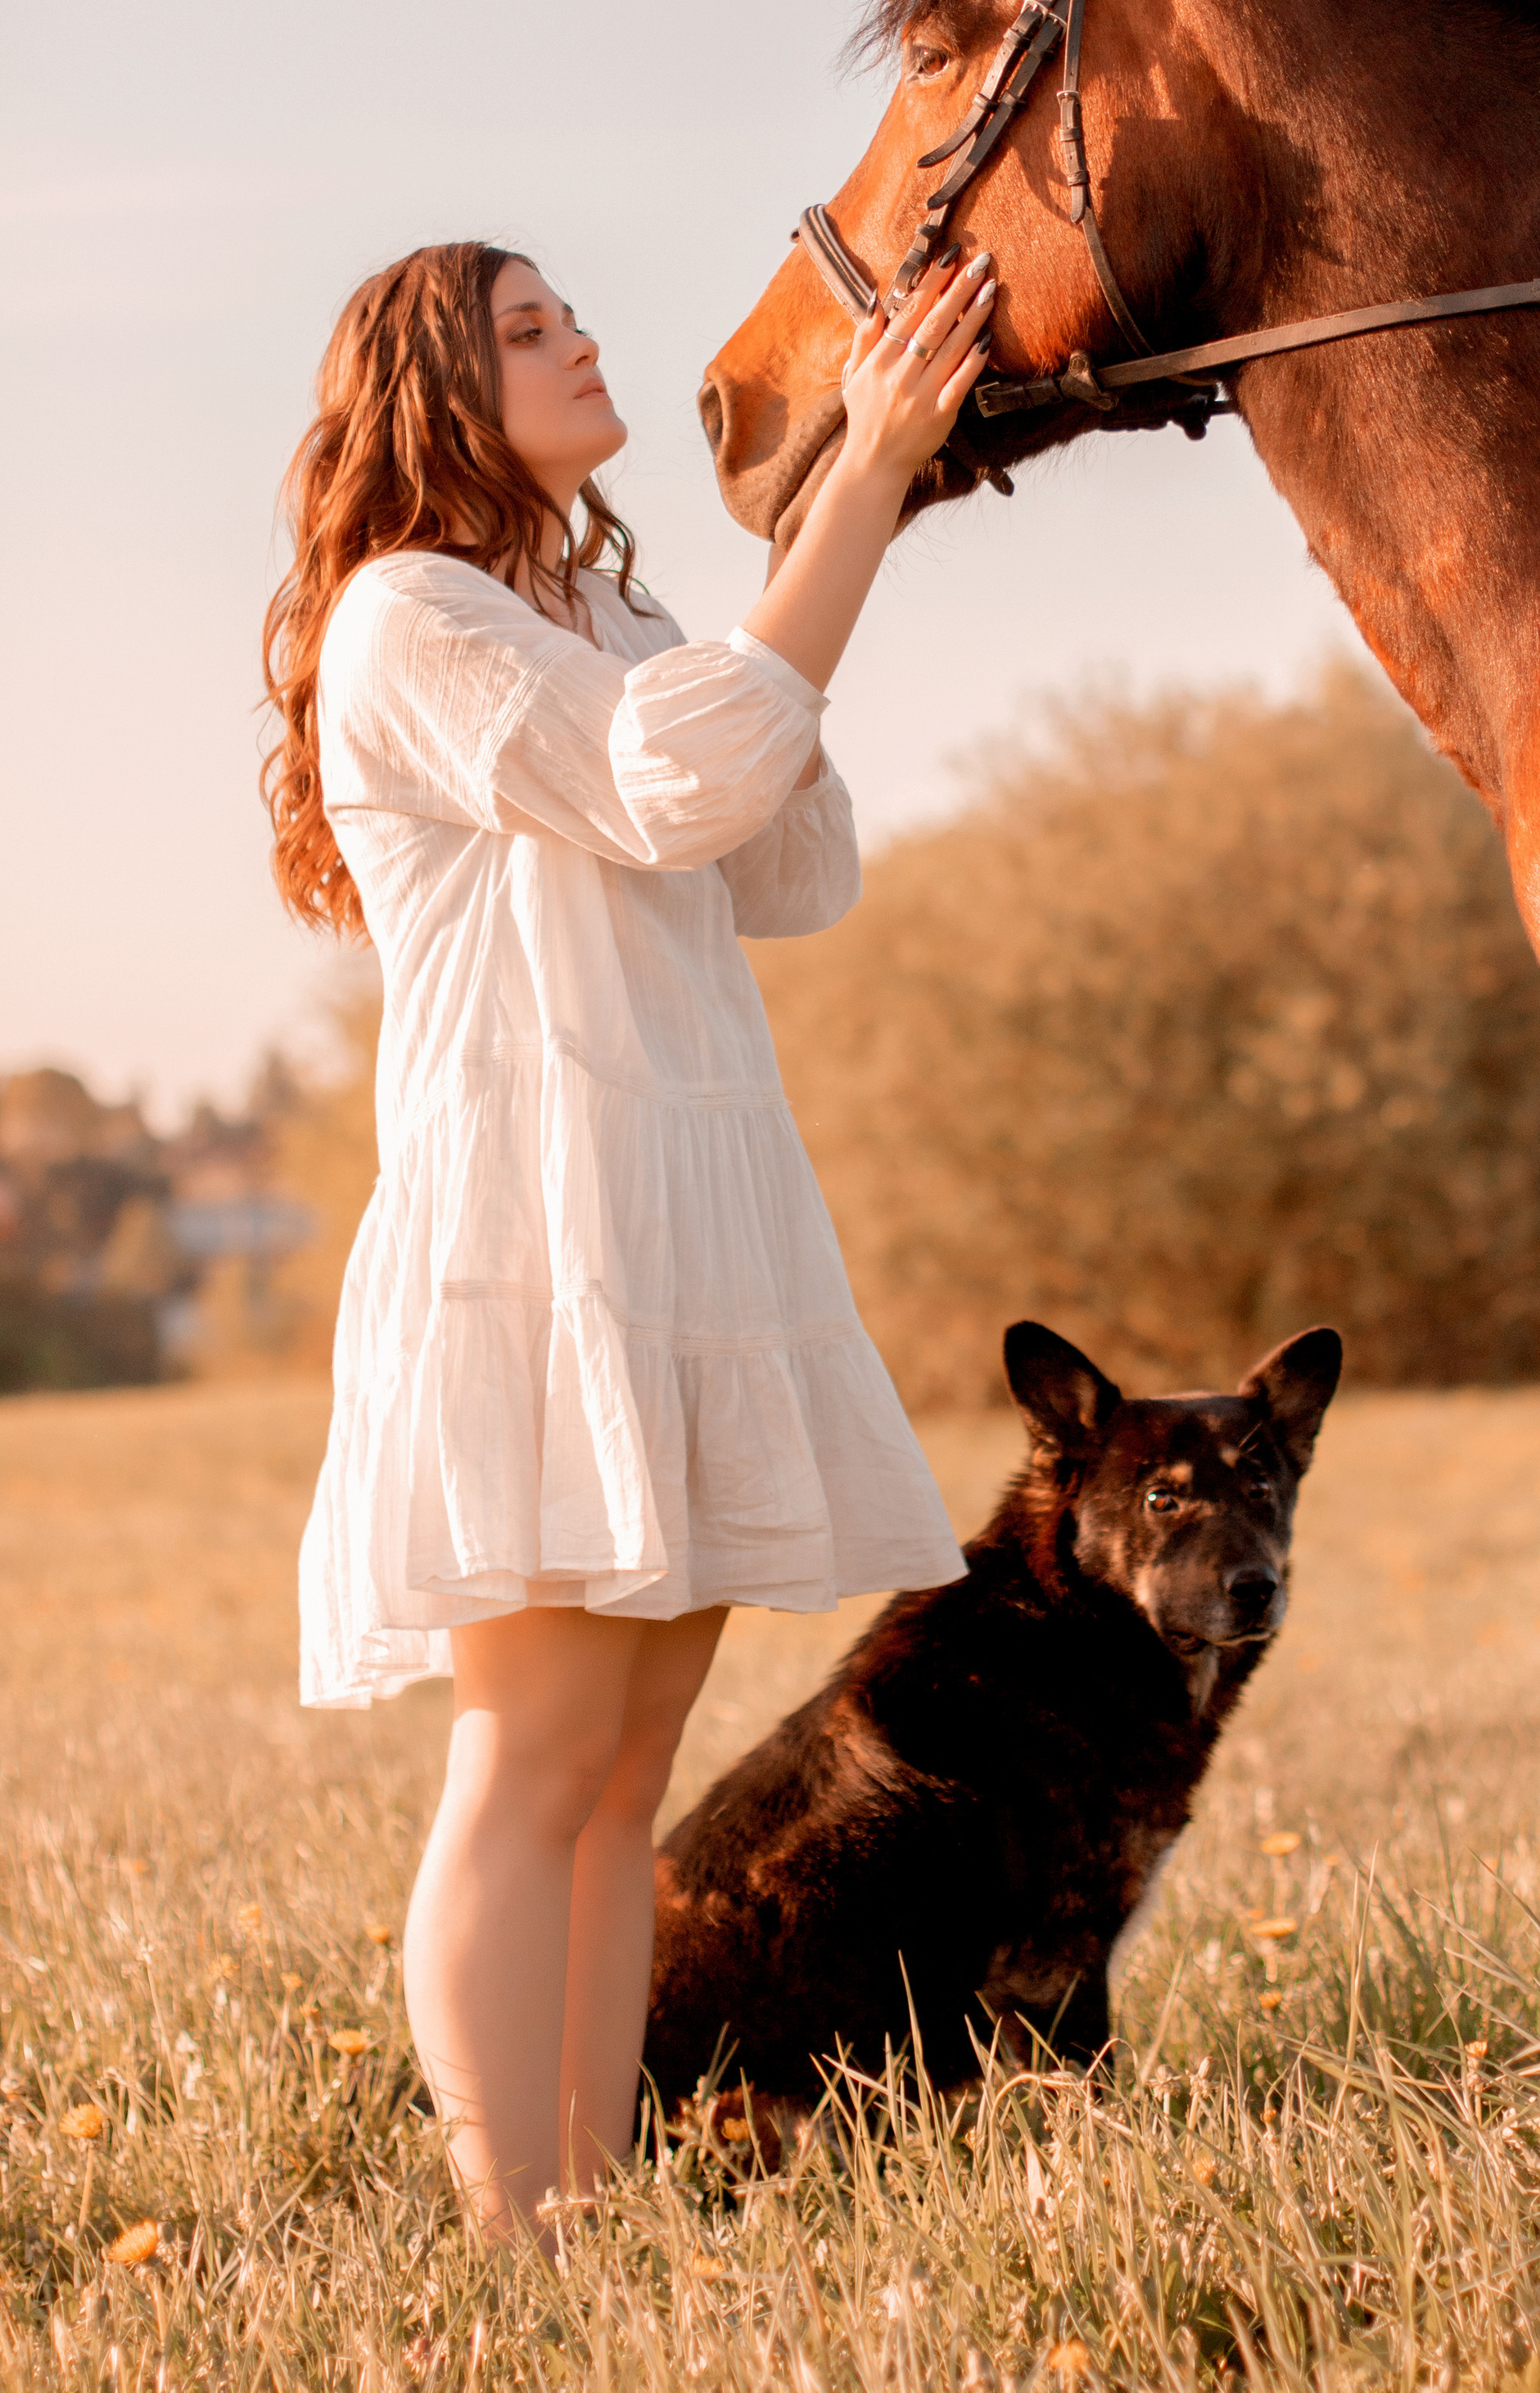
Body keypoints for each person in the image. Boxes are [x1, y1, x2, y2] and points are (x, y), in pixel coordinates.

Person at [261, 237, 996, 2238]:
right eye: (526, 328)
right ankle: (515, 2235)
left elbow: (789, 855)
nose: (581, 339)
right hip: (532, 1219)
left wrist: (830, 539)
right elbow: (680, 786)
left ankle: (584, 2215)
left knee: (621, 1769)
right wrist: (854, 494)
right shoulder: (406, 614)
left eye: (567, 313)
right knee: (532, 1753)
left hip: (679, 1217)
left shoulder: (595, 598)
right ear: (429, 392)